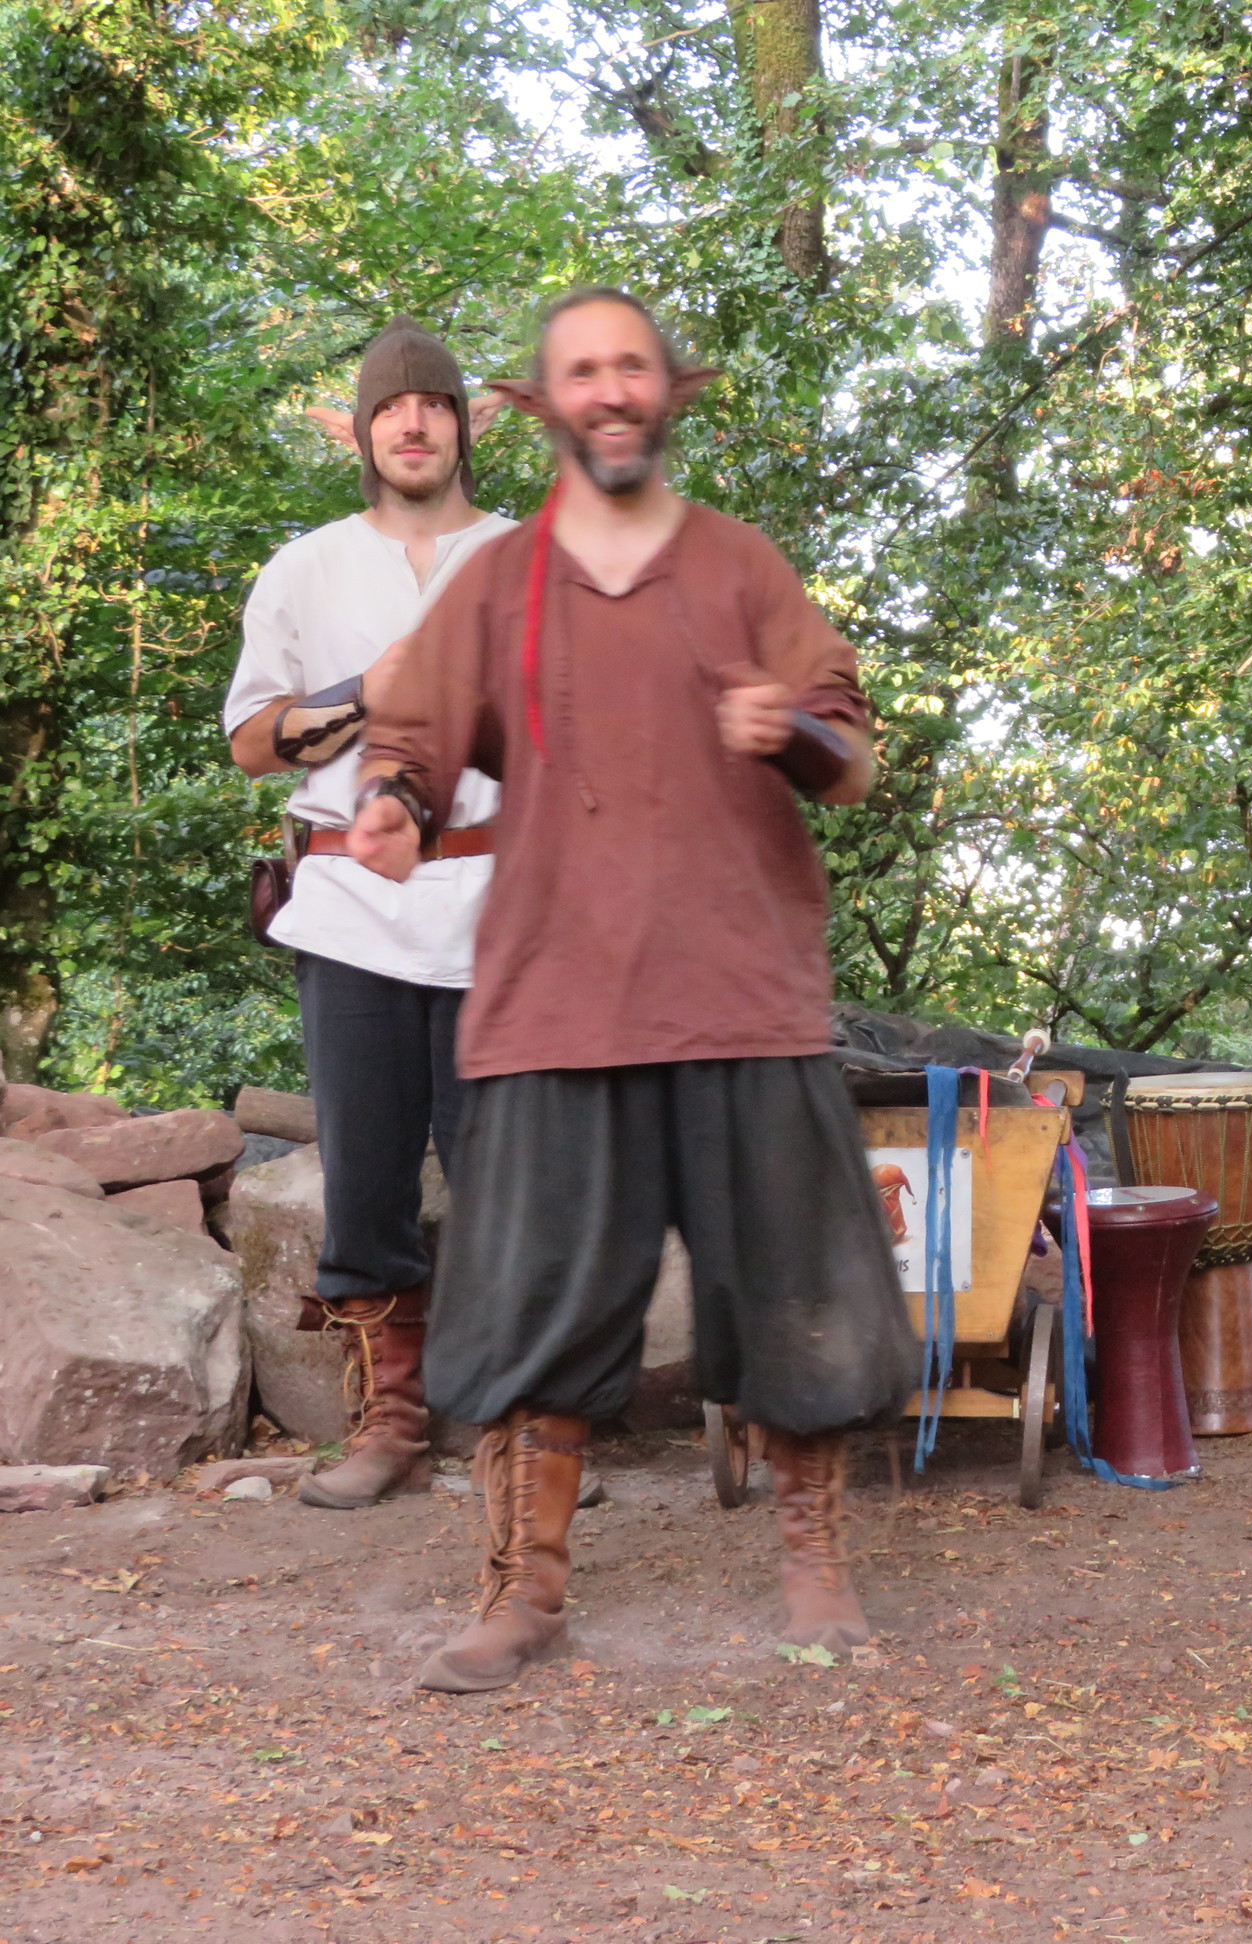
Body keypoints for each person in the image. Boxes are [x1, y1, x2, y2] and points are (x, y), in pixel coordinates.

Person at [351, 286, 917, 1693]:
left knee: (795, 1291)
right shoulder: (498, 582)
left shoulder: (740, 565)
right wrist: (393, 802)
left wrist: (789, 729)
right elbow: (415, 733)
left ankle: (815, 1563)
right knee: (529, 1303)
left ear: (667, 393)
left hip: (742, 991)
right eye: (582, 370)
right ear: (541, 406)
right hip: (557, 999)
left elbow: (853, 757)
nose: (609, 389)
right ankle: (524, 1591)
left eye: (631, 366)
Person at [223, 317, 514, 1511]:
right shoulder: (305, 567)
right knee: (370, 1172)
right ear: (358, 432)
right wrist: (367, 694)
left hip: (501, 905)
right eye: (391, 407)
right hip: (349, 902)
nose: (413, 422)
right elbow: (254, 741)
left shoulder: (526, 559)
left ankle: (515, 1425)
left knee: (507, 1175)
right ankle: (392, 1416)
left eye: (433, 402)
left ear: (467, 424)